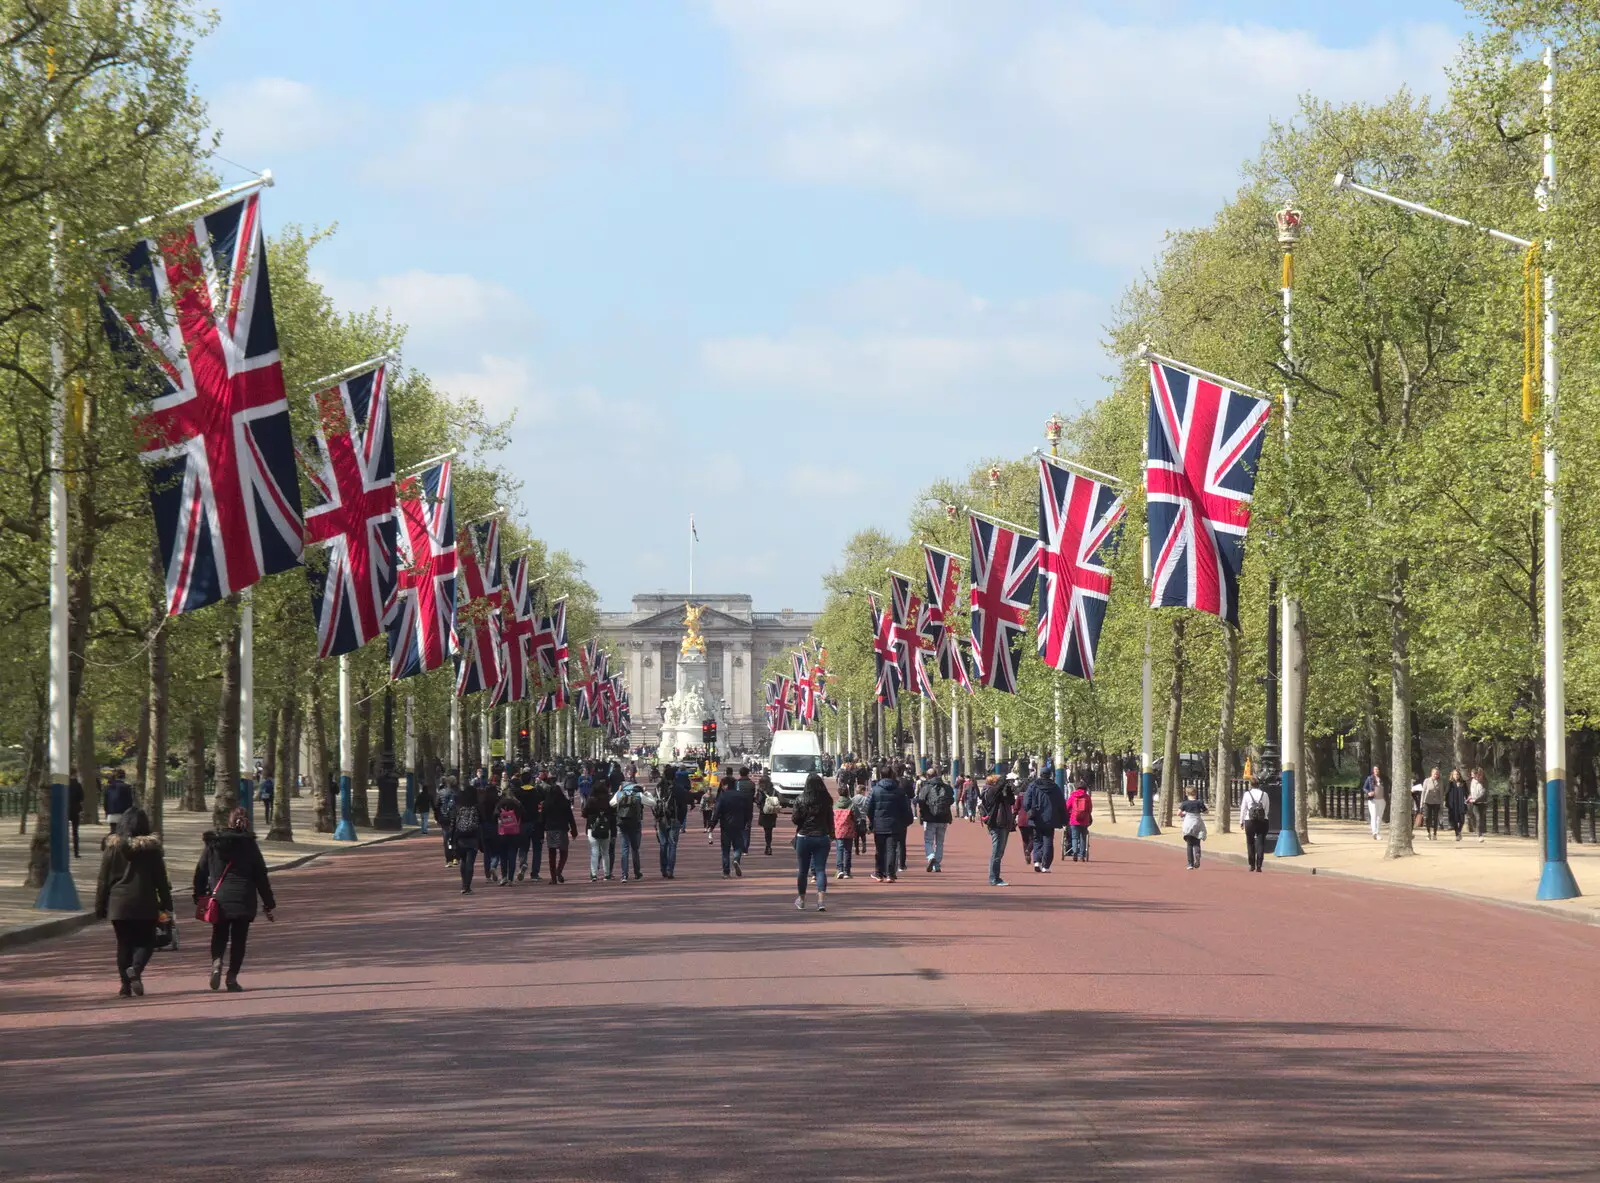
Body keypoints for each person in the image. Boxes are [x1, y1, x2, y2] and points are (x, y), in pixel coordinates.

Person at [193, 807, 276, 991]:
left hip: (220, 897)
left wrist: (198, 894)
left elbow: (201, 870)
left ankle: (216, 962)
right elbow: (261, 875)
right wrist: (268, 903)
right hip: (244, 897)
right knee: (239, 940)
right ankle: (231, 978)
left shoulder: (213, 844)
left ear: (228, 822)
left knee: (219, 933)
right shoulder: (250, 845)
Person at [95, 808, 173, 997]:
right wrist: (166, 903)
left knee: (124, 944)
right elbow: (161, 880)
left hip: (118, 903)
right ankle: (136, 970)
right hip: (144, 900)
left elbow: (103, 880)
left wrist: (100, 905)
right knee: (146, 942)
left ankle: (125, 986)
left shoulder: (111, 849)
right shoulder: (152, 850)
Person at [791, 773, 833, 911]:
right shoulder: (826, 800)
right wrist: (831, 833)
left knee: (802, 871)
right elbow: (830, 819)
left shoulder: (801, 799)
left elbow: (795, 819)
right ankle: (821, 901)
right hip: (821, 836)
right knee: (821, 869)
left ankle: (802, 900)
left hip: (804, 836)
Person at [866, 768, 909, 882]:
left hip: (879, 824)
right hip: (895, 824)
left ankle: (879, 873)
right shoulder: (899, 791)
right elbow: (905, 808)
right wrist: (905, 821)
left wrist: (872, 820)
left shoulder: (875, 790)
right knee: (891, 849)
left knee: (879, 850)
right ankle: (890, 874)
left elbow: (868, 807)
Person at [710, 782, 754, 878]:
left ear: (727, 786)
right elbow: (748, 810)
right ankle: (736, 859)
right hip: (739, 825)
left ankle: (726, 872)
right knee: (738, 846)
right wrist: (747, 821)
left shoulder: (723, 796)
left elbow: (717, 811)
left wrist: (712, 825)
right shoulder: (742, 796)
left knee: (725, 849)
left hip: (726, 825)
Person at [1022, 772, 1063, 873]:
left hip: (1036, 817)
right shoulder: (1055, 787)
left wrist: (1029, 811)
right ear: (1050, 775)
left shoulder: (1033, 786)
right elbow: (1061, 803)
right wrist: (1063, 818)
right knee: (1048, 841)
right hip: (1050, 818)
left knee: (1037, 840)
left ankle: (1037, 861)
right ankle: (1046, 865)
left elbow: (1026, 802)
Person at [980, 775, 1016, 886]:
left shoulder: (1000, 792)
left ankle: (996, 877)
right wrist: (1001, 785)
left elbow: (1011, 801)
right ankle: (993, 878)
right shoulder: (989, 791)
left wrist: (1009, 790)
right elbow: (994, 797)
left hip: (1003, 823)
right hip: (996, 824)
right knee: (996, 852)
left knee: (999, 852)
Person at [915, 770, 954, 872]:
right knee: (940, 842)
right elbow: (951, 800)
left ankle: (931, 856)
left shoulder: (926, 787)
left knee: (928, 840)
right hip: (944, 818)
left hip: (930, 818)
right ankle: (937, 865)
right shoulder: (946, 787)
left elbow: (921, 801)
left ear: (928, 776)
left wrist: (923, 814)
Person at [445, 787, 480, 893]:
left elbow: (453, 824)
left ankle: (463, 885)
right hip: (473, 838)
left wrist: (451, 838)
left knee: (463, 862)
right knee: (470, 863)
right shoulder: (476, 808)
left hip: (460, 837)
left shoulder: (458, 808)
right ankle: (467, 886)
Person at [611, 779, 647, 881]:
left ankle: (624, 875)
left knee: (624, 849)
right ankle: (637, 872)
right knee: (635, 849)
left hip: (622, 823)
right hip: (635, 824)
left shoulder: (619, 795)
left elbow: (611, 804)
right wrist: (645, 792)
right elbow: (652, 803)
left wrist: (618, 792)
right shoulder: (638, 795)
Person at [543, 782, 577, 883]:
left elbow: (542, 818)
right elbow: (570, 817)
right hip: (562, 829)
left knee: (552, 854)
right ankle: (559, 870)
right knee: (564, 852)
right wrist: (574, 830)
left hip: (550, 830)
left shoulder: (547, 803)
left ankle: (553, 877)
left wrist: (541, 831)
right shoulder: (565, 802)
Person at [584, 787, 616, 882]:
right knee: (605, 852)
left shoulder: (591, 801)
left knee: (594, 852)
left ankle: (594, 874)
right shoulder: (609, 801)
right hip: (606, 828)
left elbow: (584, 813)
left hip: (592, 827)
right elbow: (613, 818)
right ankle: (607, 874)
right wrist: (614, 833)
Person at [1239, 779, 1271, 872]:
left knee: (1250, 842)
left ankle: (1251, 864)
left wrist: (1241, 821)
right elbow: (1267, 808)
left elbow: (1243, 808)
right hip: (1262, 820)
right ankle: (1259, 865)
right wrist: (1263, 816)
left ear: (1251, 785)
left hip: (1250, 820)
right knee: (1261, 842)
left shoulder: (1247, 794)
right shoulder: (1264, 794)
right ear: (1259, 784)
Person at [1178, 787, 1208, 870]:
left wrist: (1184, 813)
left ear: (1186, 794)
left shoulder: (1185, 803)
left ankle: (1190, 864)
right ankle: (1197, 853)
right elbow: (1206, 811)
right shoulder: (1199, 802)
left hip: (1188, 823)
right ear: (1196, 793)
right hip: (1197, 823)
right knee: (1197, 842)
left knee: (1189, 844)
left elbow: (1178, 813)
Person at [1065, 778, 1094, 862]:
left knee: (1074, 837)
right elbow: (1090, 809)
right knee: (1083, 838)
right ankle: (1081, 855)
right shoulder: (1087, 797)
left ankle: (1074, 852)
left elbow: (1067, 807)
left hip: (1074, 819)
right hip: (1084, 820)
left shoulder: (1072, 796)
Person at [832, 785, 856, 879]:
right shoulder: (851, 804)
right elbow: (855, 816)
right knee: (848, 850)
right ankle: (847, 871)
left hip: (838, 830)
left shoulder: (835, 805)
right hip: (849, 830)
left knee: (839, 850)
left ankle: (839, 869)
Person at [756, 775, 781, 855]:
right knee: (769, 831)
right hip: (772, 813)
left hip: (765, 813)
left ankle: (768, 846)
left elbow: (759, 801)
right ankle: (768, 845)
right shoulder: (774, 790)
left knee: (766, 831)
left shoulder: (761, 791)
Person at [103, 768, 133, 835]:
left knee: (113, 832)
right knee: (123, 833)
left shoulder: (108, 787)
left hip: (112, 813)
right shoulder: (127, 787)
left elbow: (105, 802)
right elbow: (130, 801)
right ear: (124, 777)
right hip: (124, 813)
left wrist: (107, 812)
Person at [1445, 768, 1470, 842]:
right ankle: (1457, 834)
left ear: (1459, 775)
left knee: (1462, 820)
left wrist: (1468, 799)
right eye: (1455, 774)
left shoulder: (1463, 783)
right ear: (1452, 775)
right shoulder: (1450, 783)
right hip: (1453, 804)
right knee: (1455, 820)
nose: (1456, 776)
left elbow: (1467, 793)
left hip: (1461, 803)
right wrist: (1447, 803)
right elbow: (1447, 793)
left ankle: (1459, 831)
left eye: (1457, 774)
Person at [1360, 765, 1385, 840]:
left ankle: (1378, 832)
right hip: (1373, 800)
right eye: (1375, 769)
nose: (1376, 770)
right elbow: (1364, 787)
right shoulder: (1370, 778)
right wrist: (1368, 792)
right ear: (1373, 770)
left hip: (1382, 800)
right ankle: (1375, 833)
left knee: (1379, 817)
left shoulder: (1383, 779)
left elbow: (1388, 787)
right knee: (1374, 816)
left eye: (1377, 769)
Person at [1420, 766, 1444, 840]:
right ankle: (1428, 832)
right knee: (1427, 818)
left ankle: (1435, 833)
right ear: (1431, 773)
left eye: (1437, 773)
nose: (1436, 775)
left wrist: (1441, 804)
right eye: (1435, 773)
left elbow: (1441, 794)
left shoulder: (1440, 782)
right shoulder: (1426, 781)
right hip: (1427, 801)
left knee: (1435, 818)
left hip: (1436, 802)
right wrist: (1421, 803)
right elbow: (1423, 792)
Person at [1468, 766, 1489, 842]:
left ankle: (1479, 833)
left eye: (1473, 774)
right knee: (1477, 817)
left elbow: (1484, 794)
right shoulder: (1472, 781)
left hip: (1482, 803)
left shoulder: (1484, 782)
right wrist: (1469, 797)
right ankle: (1479, 834)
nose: (1472, 776)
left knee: (1481, 819)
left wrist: (1475, 799)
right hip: (1475, 804)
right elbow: (1472, 791)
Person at [68, 771, 84, 858]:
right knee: (75, 832)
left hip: (65, 810)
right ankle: (76, 852)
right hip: (75, 809)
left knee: (63, 831)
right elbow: (81, 798)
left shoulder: (64, 784)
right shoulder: (78, 785)